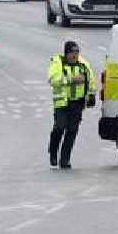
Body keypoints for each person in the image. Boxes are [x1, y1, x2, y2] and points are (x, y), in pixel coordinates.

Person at [48, 41, 96, 169]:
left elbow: (90, 79)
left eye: (77, 53)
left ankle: (65, 159)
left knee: (72, 131)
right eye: (72, 53)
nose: (75, 56)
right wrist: (71, 79)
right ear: (66, 54)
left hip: (77, 103)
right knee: (59, 127)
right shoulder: (58, 63)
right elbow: (53, 80)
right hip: (62, 103)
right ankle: (53, 151)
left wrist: (91, 94)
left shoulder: (83, 64)